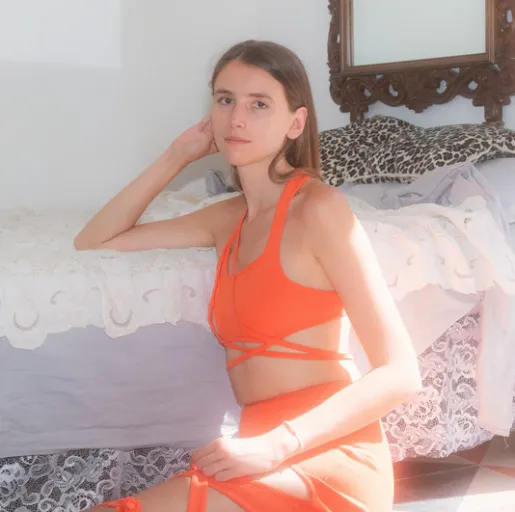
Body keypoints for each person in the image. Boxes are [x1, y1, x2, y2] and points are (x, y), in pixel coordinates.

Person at [76, 40, 421, 512]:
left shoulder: (319, 210)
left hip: (321, 451)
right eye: (225, 100)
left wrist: (277, 445)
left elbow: (401, 373)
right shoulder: (226, 218)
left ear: (295, 123)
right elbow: (95, 239)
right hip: (257, 446)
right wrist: (177, 155)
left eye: (259, 104)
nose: (237, 119)